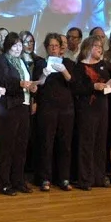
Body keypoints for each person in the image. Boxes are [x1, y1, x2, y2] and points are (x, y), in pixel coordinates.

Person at [0, 32, 37, 195]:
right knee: (7, 147)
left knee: (21, 146)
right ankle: (4, 183)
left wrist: (32, 87)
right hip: (10, 107)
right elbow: (4, 81)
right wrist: (20, 84)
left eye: (20, 45)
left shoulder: (22, 61)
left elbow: (26, 82)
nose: (18, 48)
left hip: (24, 105)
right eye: (15, 45)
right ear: (7, 47)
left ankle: (18, 180)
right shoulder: (2, 61)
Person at [70, 34, 111, 190]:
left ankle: (99, 177)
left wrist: (110, 87)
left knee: (101, 143)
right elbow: (76, 88)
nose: (100, 50)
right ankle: (85, 179)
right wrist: (93, 87)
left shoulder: (103, 65)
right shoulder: (79, 67)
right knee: (86, 144)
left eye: (101, 47)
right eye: (97, 46)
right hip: (87, 109)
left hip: (102, 107)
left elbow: (106, 84)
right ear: (88, 48)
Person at [32, 33, 74, 191]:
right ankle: (44, 178)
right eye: (51, 46)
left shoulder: (68, 62)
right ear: (46, 47)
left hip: (66, 108)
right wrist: (44, 74)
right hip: (47, 108)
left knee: (65, 144)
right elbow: (37, 84)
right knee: (46, 143)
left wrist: (64, 71)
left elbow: (74, 83)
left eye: (56, 46)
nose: (54, 49)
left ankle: (63, 177)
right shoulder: (40, 63)